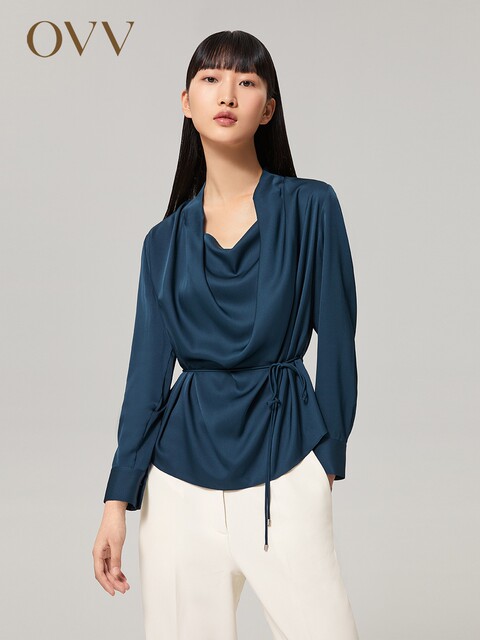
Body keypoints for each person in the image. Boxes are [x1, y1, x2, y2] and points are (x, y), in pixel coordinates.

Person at [93, 29, 360, 640]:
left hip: (286, 458)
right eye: (211, 79)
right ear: (186, 102)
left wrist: (327, 456)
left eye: (247, 80)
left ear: (268, 108)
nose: (228, 94)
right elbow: (145, 377)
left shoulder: (312, 207)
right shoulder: (162, 242)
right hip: (176, 481)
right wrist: (116, 501)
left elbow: (339, 339)